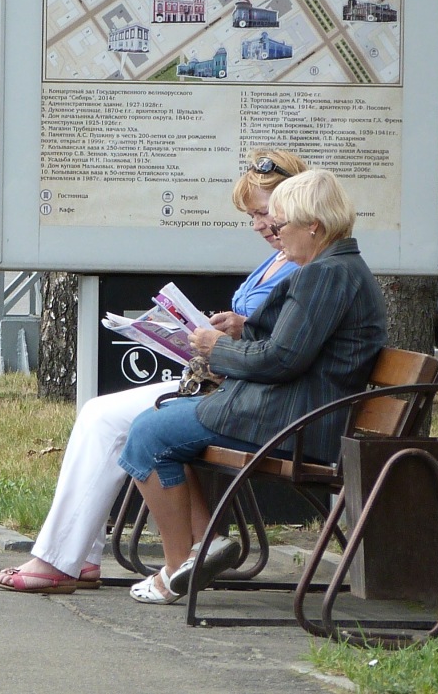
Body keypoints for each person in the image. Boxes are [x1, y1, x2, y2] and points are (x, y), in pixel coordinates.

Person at [0, 150, 309, 595]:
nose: (258, 225)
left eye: (264, 213)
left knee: (107, 420)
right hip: (222, 381)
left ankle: (63, 560)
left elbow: (284, 341)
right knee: (100, 413)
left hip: (241, 393)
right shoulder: (278, 260)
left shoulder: (304, 263)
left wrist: (241, 330)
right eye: (253, 215)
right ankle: (77, 557)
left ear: (295, 205)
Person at [117, 168, 386, 605]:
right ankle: (202, 549)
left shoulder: (325, 274)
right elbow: (290, 346)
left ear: (313, 226)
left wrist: (218, 348)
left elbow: (282, 359)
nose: (276, 235)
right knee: (158, 425)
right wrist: (239, 335)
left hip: (294, 421)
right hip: (296, 412)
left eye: (282, 225)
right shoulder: (335, 269)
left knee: (149, 434)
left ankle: (176, 568)